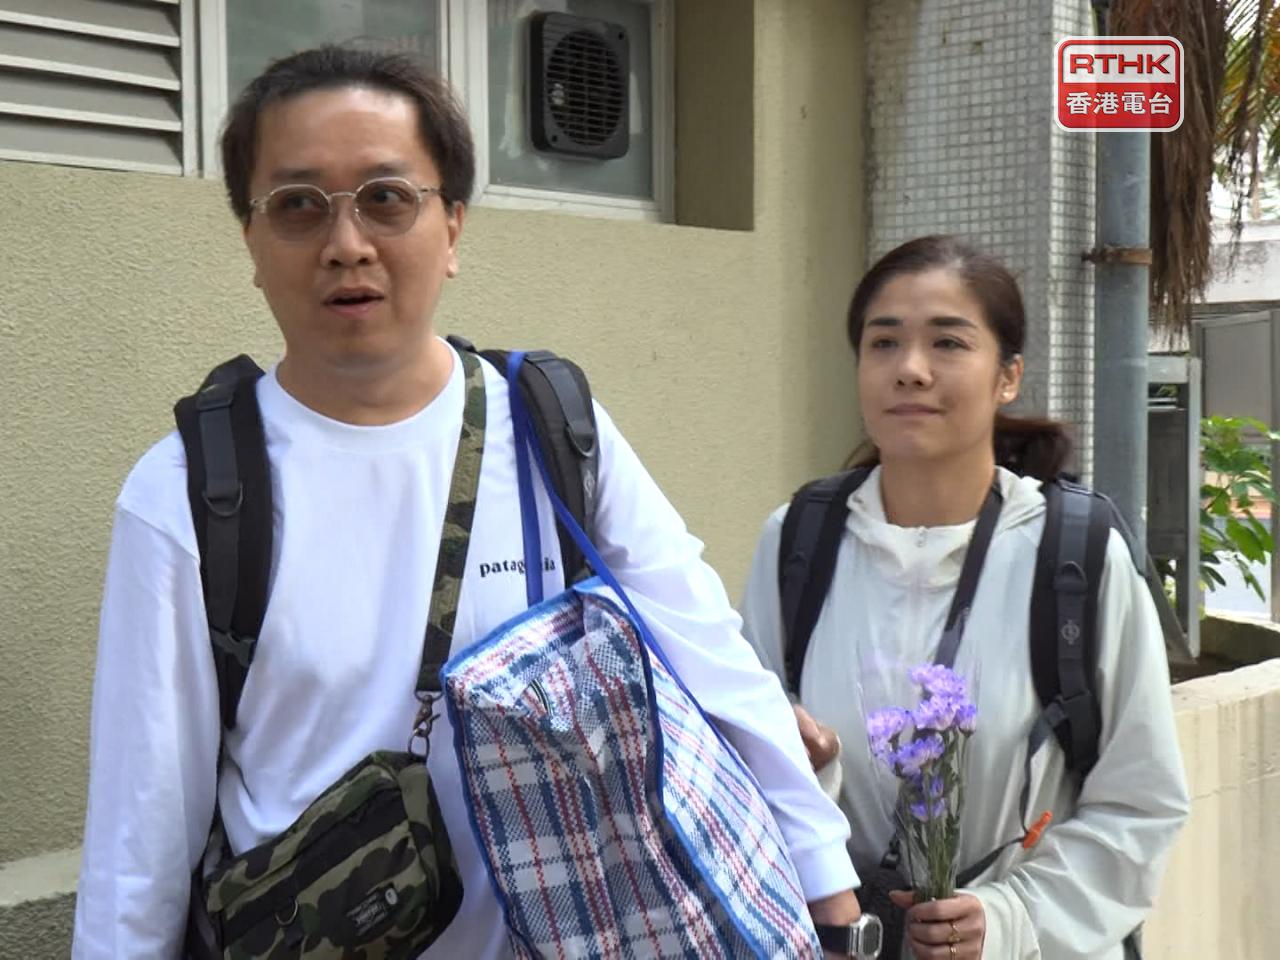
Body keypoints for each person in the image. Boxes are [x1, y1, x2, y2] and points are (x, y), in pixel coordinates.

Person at [72, 45, 866, 958]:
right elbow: (142, 832)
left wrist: (826, 886)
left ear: (452, 227)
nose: (346, 243)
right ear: (250, 243)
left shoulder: (550, 428)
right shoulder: (186, 491)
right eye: (296, 206)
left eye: (387, 197)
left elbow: (705, 649)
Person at [739, 235, 1190, 959]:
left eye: (948, 343)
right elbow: (741, 762)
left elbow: (1141, 802)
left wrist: (1007, 919)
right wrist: (806, 767)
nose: (910, 371)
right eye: (883, 343)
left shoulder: (1073, 555)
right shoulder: (798, 542)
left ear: (1008, 376)